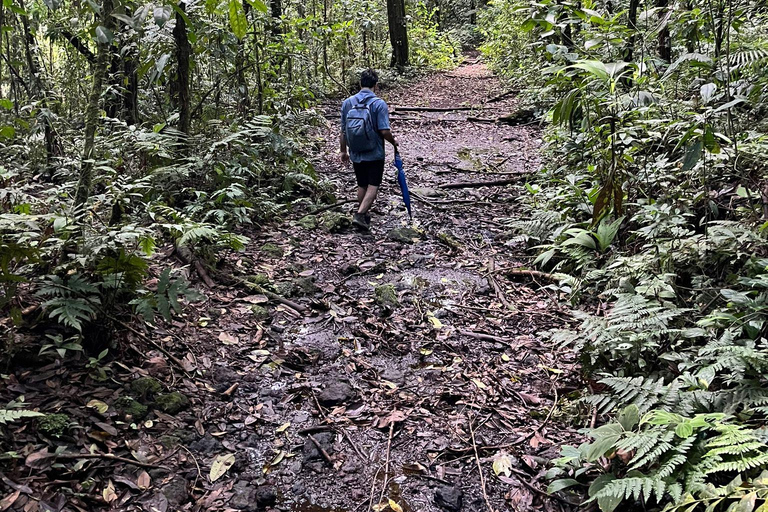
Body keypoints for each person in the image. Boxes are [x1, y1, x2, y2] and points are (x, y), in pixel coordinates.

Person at [340, 69, 399, 231]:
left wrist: (343, 151)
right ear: (376, 85)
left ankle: (364, 216)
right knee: (373, 185)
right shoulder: (379, 104)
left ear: (360, 83)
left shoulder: (348, 103)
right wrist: (394, 142)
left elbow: (343, 130)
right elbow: (384, 131)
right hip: (374, 152)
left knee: (362, 184)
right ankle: (360, 214)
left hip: (356, 152)